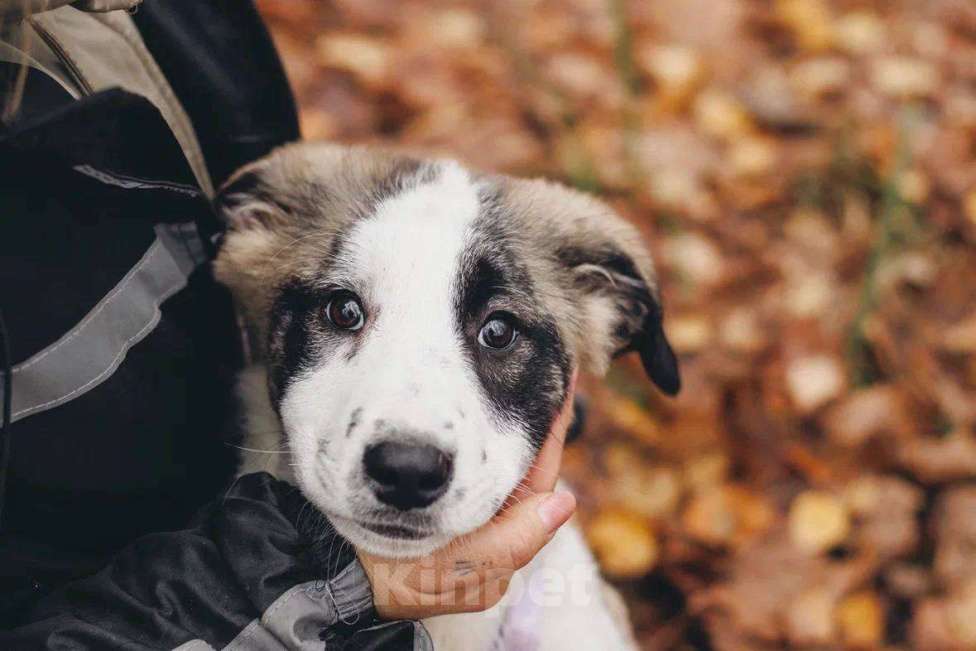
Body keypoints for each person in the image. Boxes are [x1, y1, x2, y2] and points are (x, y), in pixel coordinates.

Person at [0, 1, 575, 647]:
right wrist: (323, 580)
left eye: (497, 332)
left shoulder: (149, 19)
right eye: (344, 311)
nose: (412, 453)